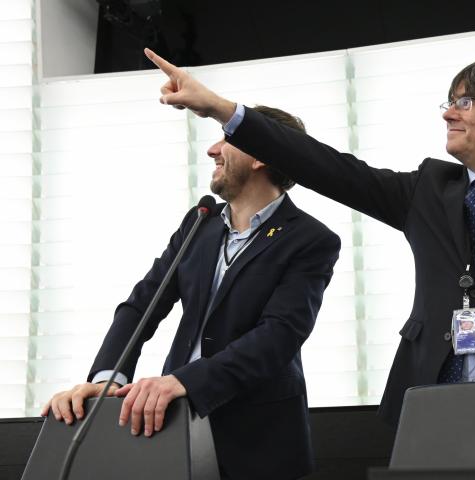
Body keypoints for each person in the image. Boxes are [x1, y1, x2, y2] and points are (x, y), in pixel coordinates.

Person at [143, 48, 475, 427]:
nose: (448, 113)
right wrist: (222, 110)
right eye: (449, 102)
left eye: (465, 102)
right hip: (424, 402)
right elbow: (328, 168)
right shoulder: (428, 188)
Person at [41, 105, 341, 480]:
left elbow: (280, 335)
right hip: (172, 426)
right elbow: (141, 306)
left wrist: (187, 381)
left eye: (227, 140)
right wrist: (106, 382)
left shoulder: (311, 239)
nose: (213, 150)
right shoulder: (200, 222)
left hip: (258, 440)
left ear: (260, 156)